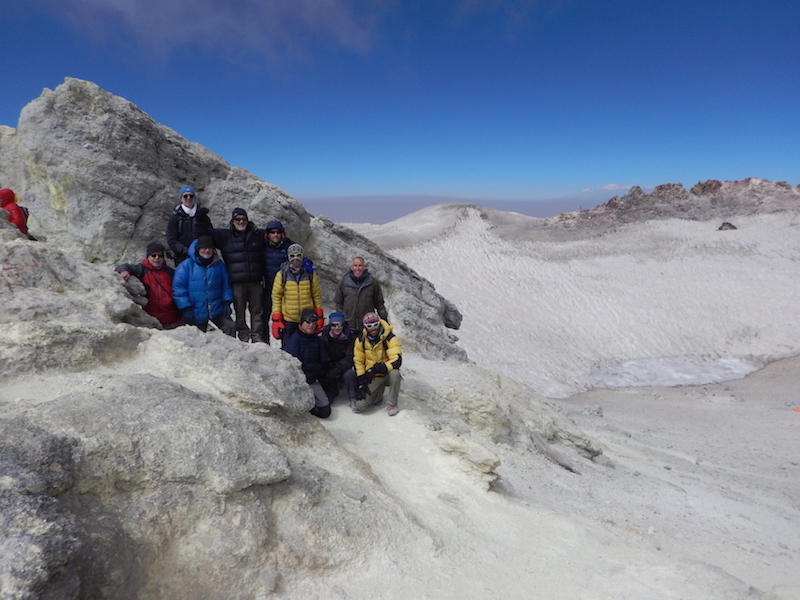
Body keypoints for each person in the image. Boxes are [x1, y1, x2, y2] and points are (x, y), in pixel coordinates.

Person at [195, 207, 265, 343]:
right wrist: (199, 217)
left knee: (257, 311)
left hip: (255, 281)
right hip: (237, 282)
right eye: (237, 219)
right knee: (239, 312)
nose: (240, 221)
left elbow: (276, 238)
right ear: (232, 221)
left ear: (247, 220)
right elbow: (202, 233)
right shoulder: (225, 236)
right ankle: (244, 337)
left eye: (243, 219)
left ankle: (256, 337)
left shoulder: (258, 234)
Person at [172, 235, 236, 336]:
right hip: (195, 310)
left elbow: (225, 285)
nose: (207, 251)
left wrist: (226, 302)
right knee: (197, 337)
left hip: (216, 308)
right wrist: (186, 308)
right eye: (204, 248)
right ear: (198, 250)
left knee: (230, 326)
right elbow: (179, 289)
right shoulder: (186, 266)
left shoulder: (219, 265)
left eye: (209, 248)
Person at [115, 242, 182, 328]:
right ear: (148, 257)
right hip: (150, 321)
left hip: (173, 320)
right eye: (153, 255)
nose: (157, 258)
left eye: (160, 256)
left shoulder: (170, 272)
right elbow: (123, 266)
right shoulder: (142, 269)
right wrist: (124, 271)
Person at [283, 308, 332, 419]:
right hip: (299, 381)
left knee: (326, 411)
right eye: (308, 322)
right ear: (301, 323)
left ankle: (312, 406)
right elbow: (293, 367)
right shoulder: (294, 341)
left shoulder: (316, 339)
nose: (311, 325)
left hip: (314, 379)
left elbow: (324, 359)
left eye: (314, 322)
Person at [271, 243, 322, 344]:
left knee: (307, 348)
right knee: (289, 349)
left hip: (307, 319)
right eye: (292, 256)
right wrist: (276, 318)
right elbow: (276, 296)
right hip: (289, 319)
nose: (295, 259)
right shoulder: (282, 274)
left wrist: (319, 315)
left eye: (298, 255)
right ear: (288, 257)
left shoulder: (310, 273)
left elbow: (316, 295)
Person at [353, 312, 402, 416]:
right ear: (365, 327)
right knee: (360, 406)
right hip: (373, 376)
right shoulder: (360, 340)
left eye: (375, 324)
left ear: (379, 323)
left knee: (395, 374)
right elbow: (359, 361)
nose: (373, 328)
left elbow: (397, 360)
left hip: (387, 373)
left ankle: (392, 403)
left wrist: (383, 367)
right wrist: (361, 380)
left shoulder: (389, 337)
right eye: (369, 326)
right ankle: (378, 395)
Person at [334, 257, 389, 329]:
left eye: (360, 265)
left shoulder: (372, 283)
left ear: (364, 267)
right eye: (355, 265)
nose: (357, 268)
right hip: (348, 325)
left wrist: (385, 322)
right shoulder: (343, 282)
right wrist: (341, 321)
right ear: (351, 267)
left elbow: (379, 304)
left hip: (367, 325)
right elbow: (338, 304)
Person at [261, 220, 293, 341]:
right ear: (267, 234)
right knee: (264, 319)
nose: (275, 235)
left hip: (284, 292)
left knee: (285, 319)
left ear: (282, 234)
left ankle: (285, 346)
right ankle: (265, 343)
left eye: (278, 232)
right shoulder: (262, 247)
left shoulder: (288, 247)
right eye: (272, 232)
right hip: (266, 289)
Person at [319, 312, 358, 407]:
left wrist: (338, 368)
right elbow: (321, 353)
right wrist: (329, 366)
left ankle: (353, 398)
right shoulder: (324, 337)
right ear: (330, 325)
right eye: (334, 325)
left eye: (339, 325)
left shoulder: (349, 338)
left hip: (342, 367)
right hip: (329, 366)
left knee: (350, 374)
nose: (337, 328)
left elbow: (350, 357)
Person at [166, 186, 202, 265]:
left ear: (195, 198)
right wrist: (187, 251)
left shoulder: (202, 215)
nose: (188, 198)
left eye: (191, 196)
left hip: (201, 257)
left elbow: (209, 234)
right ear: (181, 199)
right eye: (185, 196)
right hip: (182, 259)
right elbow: (171, 240)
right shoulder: (175, 218)